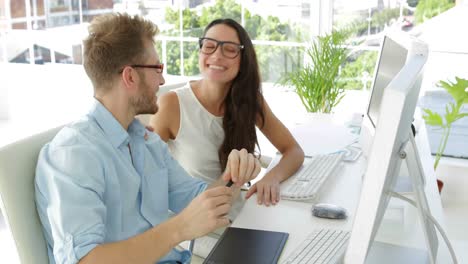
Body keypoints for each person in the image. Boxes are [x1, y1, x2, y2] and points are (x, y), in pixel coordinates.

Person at [35, 13, 260, 264]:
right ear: (130, 76)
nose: (162, 80)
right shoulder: (73, 153)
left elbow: (200, 202)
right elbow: (84, 260)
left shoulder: (147, 141)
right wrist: (179, 229)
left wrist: (234, 173)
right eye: (156, 68)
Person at [150, 18, 304, 208]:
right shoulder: (171, 104)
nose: (216, 56)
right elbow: (148, 180)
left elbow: (294, 151)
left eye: (229, 49)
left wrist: (271, 178)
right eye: (209, 46)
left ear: (243, 58)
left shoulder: (249, 100)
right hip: (196, 226)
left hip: (240, 215)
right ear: (200, 51)